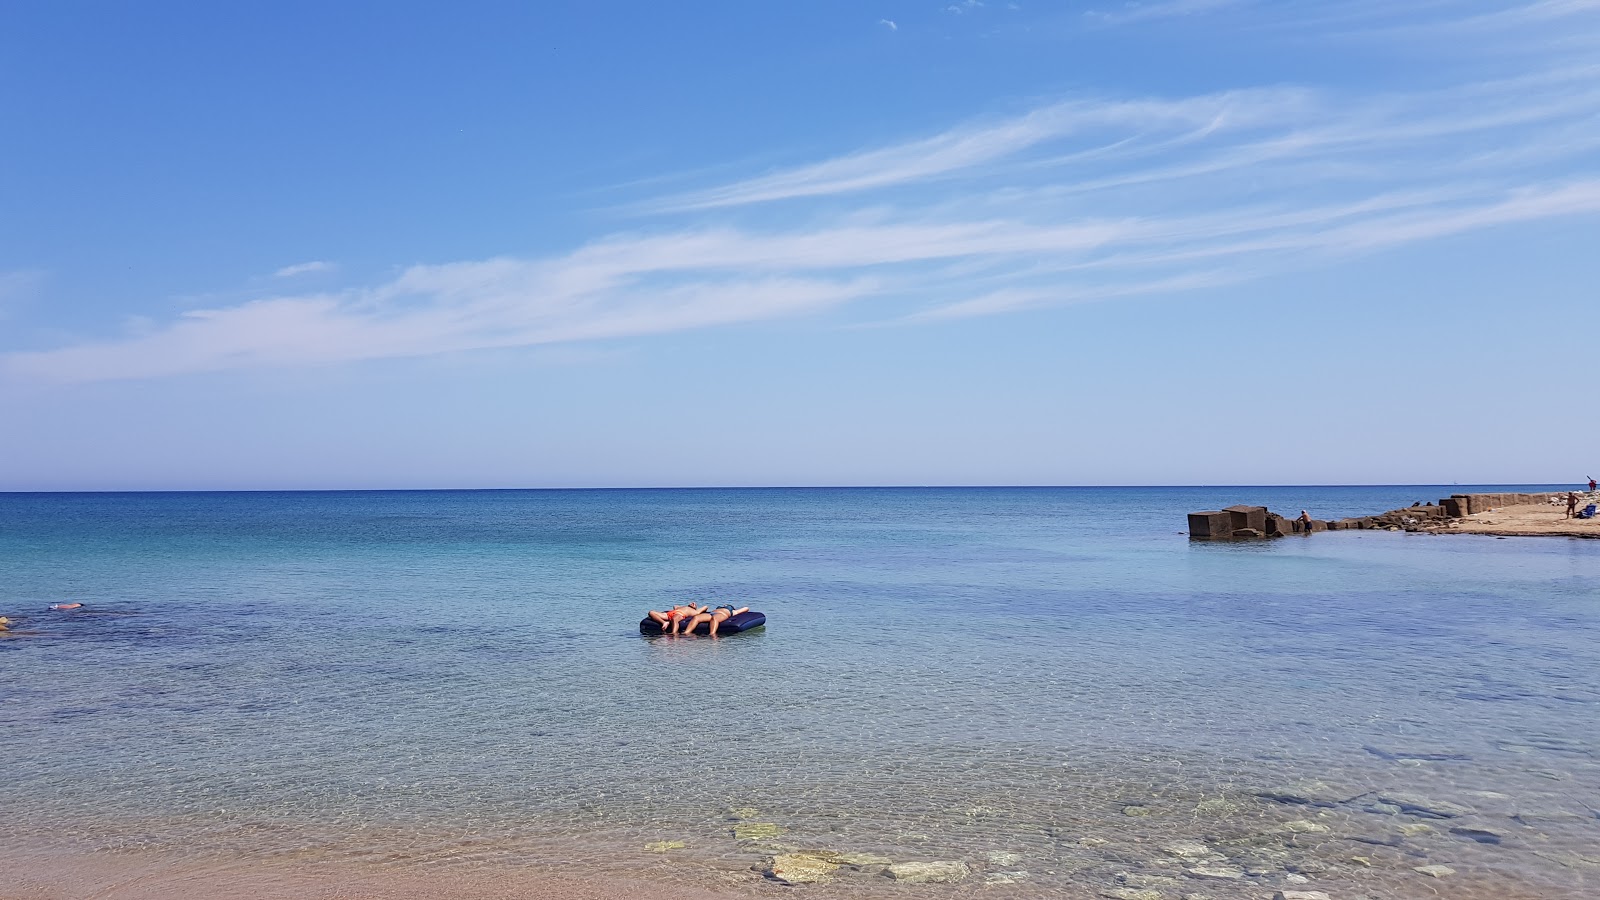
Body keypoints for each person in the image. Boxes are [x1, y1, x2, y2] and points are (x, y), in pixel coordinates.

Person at [679, 604, 751, 637]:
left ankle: (712, 634)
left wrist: (735, 609)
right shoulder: (718, 608)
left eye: (727, 605)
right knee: (696, 618)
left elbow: (746, 608)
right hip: (712, 613)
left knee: (715, 619)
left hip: (722, 614)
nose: (725, 605)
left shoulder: (733, 611)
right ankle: (686, 632)